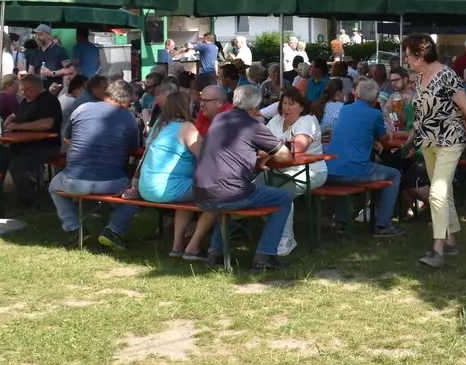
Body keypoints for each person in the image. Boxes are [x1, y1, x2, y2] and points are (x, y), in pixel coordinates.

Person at [403, 33, 466, 269]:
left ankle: (438, 249)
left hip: (450, 140)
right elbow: (420, 118)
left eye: (408, 55)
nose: (406, 59)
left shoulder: (447, 76)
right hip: (427, 142)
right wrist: (410, 144)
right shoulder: (419, 79)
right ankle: (450, 239)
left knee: (437, 192)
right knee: (444, 192)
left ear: (420, 55)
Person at [195, 85, 296, 270]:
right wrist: (270, 153)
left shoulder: (219, 118)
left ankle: (215, 253)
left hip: (202, 193)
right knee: (284, 198)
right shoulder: (253, 125)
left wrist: (256, 158)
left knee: (224, 198)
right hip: (230, 194)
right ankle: (265, 256)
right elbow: (286, 156)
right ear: (256, 107)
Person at [49, 81, 142, 251]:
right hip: (111, 182)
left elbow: (68, 139)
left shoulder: (82, 108)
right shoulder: (128, 117)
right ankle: (114, 230)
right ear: (125, 100)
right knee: (135, 194)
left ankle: (74, 228)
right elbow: (133, 149)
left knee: (54, 187)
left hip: (74, 180)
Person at [321, 78, 406, 236]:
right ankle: (383, 224)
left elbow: (355, 132)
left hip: (329, 170)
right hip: (354, 171)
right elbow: (386, 139)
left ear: (356, 95)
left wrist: (371, 139)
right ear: (374, 100)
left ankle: (342, 222)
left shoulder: (344, 110)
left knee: (344, 170)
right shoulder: (374, 114)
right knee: (394, 174)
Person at [138, 92, 216, 260]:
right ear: (185, 106)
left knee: (185, 196)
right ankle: (193, 247)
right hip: (165, 188)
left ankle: (177, 247)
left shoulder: (160, 124)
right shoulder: (186, 127)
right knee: (219, 194)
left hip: (145, 187)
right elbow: (205, 155)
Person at [264, 88, 327, 254]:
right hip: (278, 171)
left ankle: (287, 238)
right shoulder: (276, 120)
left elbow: (298, 146)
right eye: (284, 103)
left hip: (311, 171)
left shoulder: (308, 120)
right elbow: (260, 143)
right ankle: (272, 231)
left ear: (301, 106)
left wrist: (270, 148)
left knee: (281, 192)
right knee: (254, 188)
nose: (286, 108)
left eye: (291, 104)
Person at [4, 72, 64, 206]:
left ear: (37, 87)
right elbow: (14, 114)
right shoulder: (26, 100)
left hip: (45, 146)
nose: (24, 93)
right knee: (1, 156)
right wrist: (9, 121)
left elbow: (47, 124)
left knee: (17, 166)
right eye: (22, 90)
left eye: (27, 90)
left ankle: (26, 200)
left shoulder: (49, 101)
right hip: (22, 144)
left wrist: (19, 126)